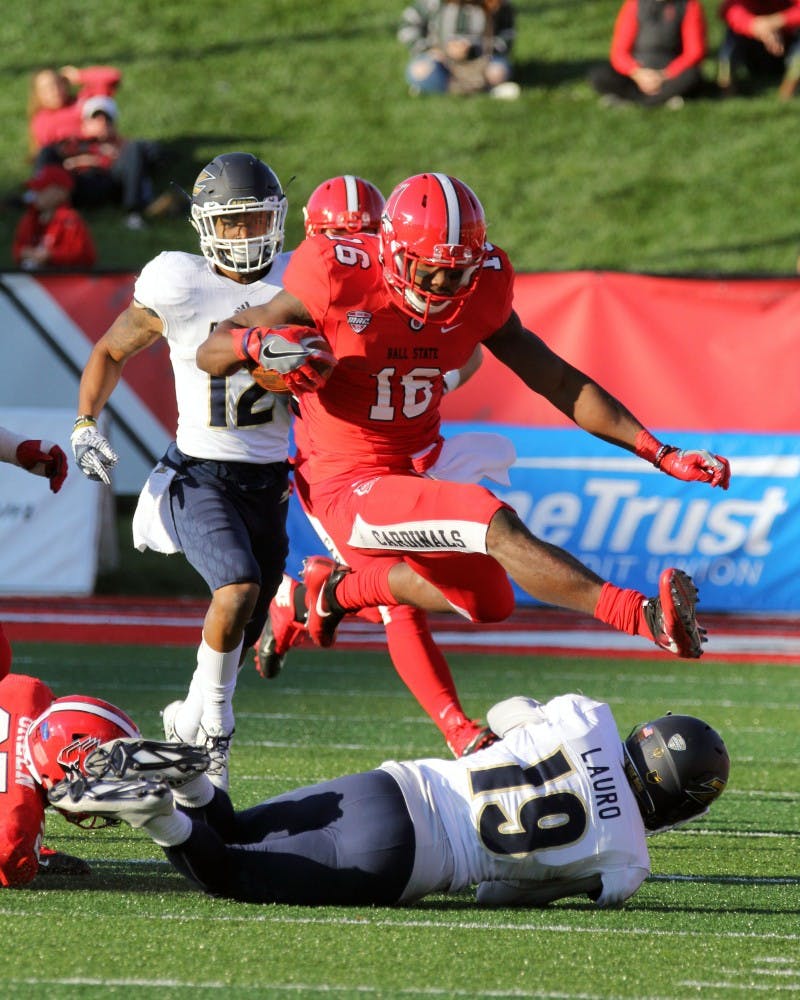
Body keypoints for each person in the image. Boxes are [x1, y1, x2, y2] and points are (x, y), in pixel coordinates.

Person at [197, 172, 731, 666]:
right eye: (427, 268)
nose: (441, 286)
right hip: (346, 480)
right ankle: (646, 619)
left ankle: (327, 592)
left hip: (420, 466)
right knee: (488, 517)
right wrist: (258, 343)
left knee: (491, 601)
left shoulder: (484, 288)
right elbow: (212, 348)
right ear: (390, 249)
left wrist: (659, 452)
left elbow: (560, 381)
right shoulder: (337, 275)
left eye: (456, 273)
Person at [47, 693, 730, 907]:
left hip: (395, 785)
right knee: (227, 873)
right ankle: (157, 810)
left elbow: (505, 708)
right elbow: (498, 897)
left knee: (231, 823)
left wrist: (513, 741)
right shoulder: (625, 865)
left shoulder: (591, 718)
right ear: (680, 804)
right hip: (410, 859)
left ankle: (191, 780)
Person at [69, 152, 293, 790]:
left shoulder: (299, 289)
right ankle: (217, 735)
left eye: (256, 221)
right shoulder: (179, 280)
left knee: (243, 628)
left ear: (277, 221)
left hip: (270, 483)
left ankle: (186, 719)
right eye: (234, 223)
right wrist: (85, 421)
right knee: (237, 589)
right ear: (204, 227)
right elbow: (111, 348)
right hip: (199, 474)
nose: (246, 235)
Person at [256, 174, 493, 757]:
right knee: (401, 600)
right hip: (337, 464)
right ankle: (459, 730)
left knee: (453, 585)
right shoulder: (307, 280)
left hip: (412, 454)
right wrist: (282, 366)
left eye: (359, 235)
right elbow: (249, 359)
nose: (348, 247)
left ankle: (303, 600)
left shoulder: (401, 276)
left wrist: (428, 376)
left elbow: (475, 352)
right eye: (337, 237)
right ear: (315, 239)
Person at [0, 673, 138, 886]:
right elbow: (10, 852)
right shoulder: (14, 834)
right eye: (101, 779)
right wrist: (23, 844)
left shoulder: (27, 691)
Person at [36, 95, 165, 231]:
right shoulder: (73, 143)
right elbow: (54, 156)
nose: (102, 122)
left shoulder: (124, 145)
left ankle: (133, 213)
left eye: (107, 119)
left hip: (109, 182)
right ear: (85, 123)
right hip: (78, 184)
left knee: (134, 149)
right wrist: (84, 158)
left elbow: (153, 152)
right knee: (47, 152)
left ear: (114, 124)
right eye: (95, 118)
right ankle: (37, 200)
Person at [589, 0, 708, 108]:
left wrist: (664, 75)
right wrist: (637, 73)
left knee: (692, 76)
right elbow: (619, 51)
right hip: (637, 72)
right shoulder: (634, 4)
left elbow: (694, 51)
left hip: (669, 72)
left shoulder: (689, 5)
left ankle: (638, 100)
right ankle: (659, 99)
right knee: (599, 75)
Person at [398, 0, 519, 98]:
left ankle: (439, 89)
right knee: (419, 71)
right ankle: (477, 89)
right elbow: (408, 26)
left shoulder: (496, 4)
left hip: (481, 61)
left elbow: (507, 35)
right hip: (441, 60)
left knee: (498, 72)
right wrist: (429, 50)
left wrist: (474, 51)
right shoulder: (432, 3)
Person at [27, 65, 121, 161]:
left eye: (57, 83)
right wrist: (86, 133)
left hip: (106, 157)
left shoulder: (83, 101)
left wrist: (79, 76)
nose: (55, 91)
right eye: (47, 88)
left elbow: (112, 77)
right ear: (38, 94)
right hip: (72, 164)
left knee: (134, 148)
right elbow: (52, 151)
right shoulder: (42, 120)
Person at [11, 164, 96, 270]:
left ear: (61, 193)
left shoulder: (70, 220)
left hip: (62, 281)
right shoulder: (29, 218)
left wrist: (51, 256)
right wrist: (24, 252)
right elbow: (18, 248)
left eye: (40, 189)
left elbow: (84, 256)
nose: (34, 194)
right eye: (33, 189)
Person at [717, 0, 800, 98]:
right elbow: (729, 9)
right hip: (755, 47)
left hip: (788, 43)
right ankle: (727, 84)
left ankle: (791, 83)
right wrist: (754, 26)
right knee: (733, 33)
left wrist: (776, 22)